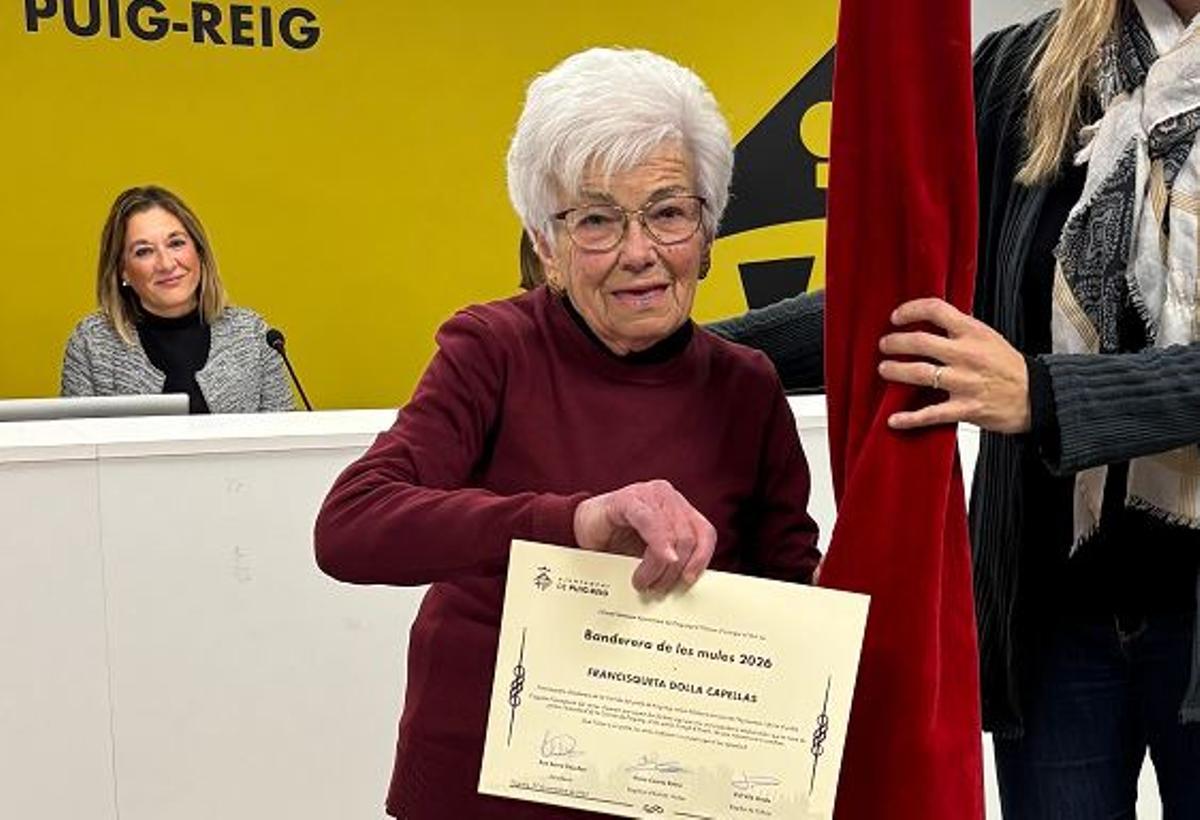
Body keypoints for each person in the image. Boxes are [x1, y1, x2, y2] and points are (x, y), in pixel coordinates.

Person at [713, 1, 1200, 816]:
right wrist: (687, 352)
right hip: (1051, 619)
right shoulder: (1020, 72)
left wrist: (1044, 395)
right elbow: (908, 309)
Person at [314, 47, 820, 819]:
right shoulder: (493, 348)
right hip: (484, 786)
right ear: (546, 248)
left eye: (669, 212)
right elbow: (351, 527)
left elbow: (787, 592)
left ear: (709, 234)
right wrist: (576, 522)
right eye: (595, 220)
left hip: (674, 787)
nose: (638, 252)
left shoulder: (746, 386)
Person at [61, 185, 294, 413]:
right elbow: (73, 447)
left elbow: (289, 443)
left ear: (199, 251)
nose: (166, 264)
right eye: (144, 251)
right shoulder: (91, 343)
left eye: (176, 243)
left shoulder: (253, 336)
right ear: (123, 270)